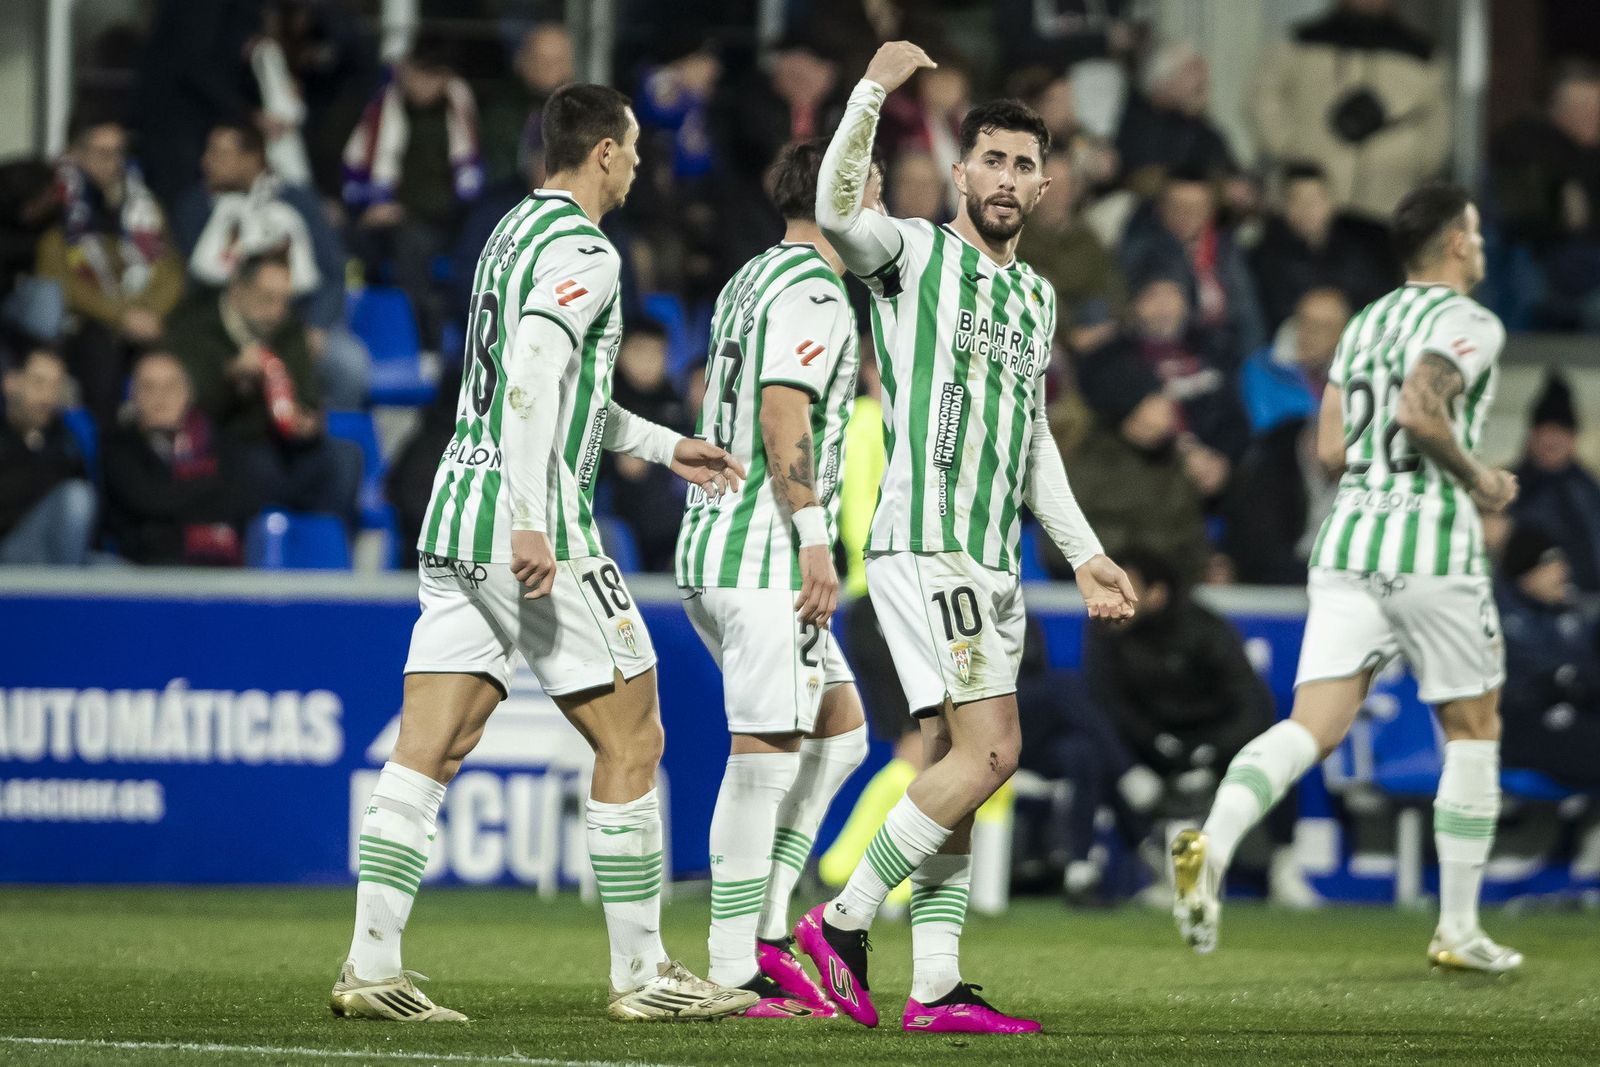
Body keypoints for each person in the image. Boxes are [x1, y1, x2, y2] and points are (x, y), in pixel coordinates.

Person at [330, 83, 753, 1024]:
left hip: (454, 510)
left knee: (431, 744)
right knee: (635, 731)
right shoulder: (585, 249)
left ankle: (370, 965)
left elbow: (558, 388)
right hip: (531, 526)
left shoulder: (512, 233)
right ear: (604, 151)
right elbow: (527, 376)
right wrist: (529, 519)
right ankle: (643, 976)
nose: (641, 163)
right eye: (634, 146)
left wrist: (661, 444)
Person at [798, 41, 1136, 1035]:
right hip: (924, 542)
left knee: (951, 759)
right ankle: (839, 922)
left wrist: (1082, 549)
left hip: (992, 553)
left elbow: (1032, 445)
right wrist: (871, 89)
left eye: (1025, 165)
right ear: (960, 170)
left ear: (1043, 184)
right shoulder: (911, 256)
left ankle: (936, 984)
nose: (1007, 178)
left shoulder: (1034, 297)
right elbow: (830, 213)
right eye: (991, 158)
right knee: (993, 753)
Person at [1171, 183, 1524, 974]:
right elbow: (1422, 410)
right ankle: (1459, 927)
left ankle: (1214, 842)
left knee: (1312, 727)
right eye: (1476, 231)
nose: (1483, 244)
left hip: (1348, 540)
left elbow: (1330, 450)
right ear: (1458, 243)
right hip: (1430, 543)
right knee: (1474, 727)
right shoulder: (1470, 322)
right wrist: (1480, 478)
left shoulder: (1365, 323)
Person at [674, 139, 874, 1018]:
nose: (876, 203)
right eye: (866, 187)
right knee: (762, 758)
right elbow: (782, 406)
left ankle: (763, 929)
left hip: (715, 540)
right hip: (763, 554)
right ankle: (732, 966)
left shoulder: (751, 276)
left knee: (843, 732)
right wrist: (812, 537)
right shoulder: (816, 288)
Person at [1085, 548, 1318, 908]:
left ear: (1156, 594)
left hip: (1217, 743)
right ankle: (1157, 872)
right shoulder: (1105, 631)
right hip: (1151, 750)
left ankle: (1283, 869)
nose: (1113, 598)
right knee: (1097, 755)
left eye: (1124, 588)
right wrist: (1144, 756)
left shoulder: (1205, 628)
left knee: (1278, 751)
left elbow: (1252, 704)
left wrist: (1211, 752)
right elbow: (1105, 705)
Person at [173, 120, 367, 408]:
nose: (207, 162)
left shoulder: (299, 202)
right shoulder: (195, 208)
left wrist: (317, 326)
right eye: (208, 152)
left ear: (252, 158)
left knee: (350, 365)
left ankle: (322, 441)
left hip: (294, 325)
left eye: (220, 154)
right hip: (219, 331)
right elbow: (187, 280)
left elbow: (332, 274)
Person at [164, 250, 359, 524]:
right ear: (238, 288)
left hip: (280, 444)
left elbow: (307, 397)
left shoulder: (289, 331)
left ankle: (323, 553)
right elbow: (183, 409)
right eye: (266, 298)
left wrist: (308, 421)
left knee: (344, 459)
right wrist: (231, 378)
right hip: (220, 441)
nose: (277, 311)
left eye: (284, 301)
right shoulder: (194, 327)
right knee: (256, 467)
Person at [38, 113, 184, 427]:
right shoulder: (57, 204)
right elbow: (58, 279)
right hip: (87, 324)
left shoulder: (141, 203)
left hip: (147, 319)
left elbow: (169, 269)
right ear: (76, 153)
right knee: (101, 360)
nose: (114, 163)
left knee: (181, 356)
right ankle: (104, 461)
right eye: (104, 153)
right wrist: (121, 316)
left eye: (119, 152)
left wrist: (148, 312)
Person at [1251, 0, 1450, 223]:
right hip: (1308, 204)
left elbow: (1435, 126)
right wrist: (1291, 148)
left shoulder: (1422, 54)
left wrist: (1408, 164)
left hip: (1386, 207)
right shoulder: (1301, 41)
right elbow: (1263, 97)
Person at [343, 39, 484, 349]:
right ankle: (359, 338)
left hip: (437, 224)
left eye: (429, 76)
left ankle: (425, 346)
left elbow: (464, 189)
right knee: (344, 239)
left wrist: (399, 211)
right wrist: (371, 208)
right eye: (415, 73)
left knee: (411, 246)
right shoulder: (381, 102)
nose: (419, 84)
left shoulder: (456, 110)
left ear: (445, 77)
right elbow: (354, 164)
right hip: (382, 218)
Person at [1068, 351, 1212, 584]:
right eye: (1156, 397)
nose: (1169, 405)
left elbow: (1194, 540)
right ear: (1133, 409)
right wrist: (1140, 554)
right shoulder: (1089, 465)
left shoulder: (1175, 466)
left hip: (1171, 599)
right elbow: (1058, 545)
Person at [101, 351, 252, 566]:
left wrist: (169, 502)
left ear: (188, 393)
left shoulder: (220, 443)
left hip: (218, 569)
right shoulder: (117, 447)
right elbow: (149, 501)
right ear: (133, 396)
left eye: (170, 386)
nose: (160, 396)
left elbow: (238, 502)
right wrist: (210, 482)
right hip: (140, 570)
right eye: (149, 387)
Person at [1488, 60, 1600, 330]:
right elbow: (1524, 218)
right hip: (1544, 255)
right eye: (1582, 107)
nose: (1592, 115)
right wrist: (1563, 191)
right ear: (1556, 107)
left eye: (1596, 107)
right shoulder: (1524, 141)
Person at [1120, 168, 1266, 364]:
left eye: (1197, 207)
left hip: (1231, 351)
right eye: (1178, 206)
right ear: (1161, 207)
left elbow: (1247, 310)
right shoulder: (1143, 247)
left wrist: (1254, 363)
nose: (1187, 215)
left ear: (1211, 210)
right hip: (1183, 354)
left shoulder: (1224, 245)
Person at [1496, 524, 1600, 792]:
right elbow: (1529, 689)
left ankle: (1576, 823)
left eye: (1561, 560)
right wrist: (1571, 680)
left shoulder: (1570, 615)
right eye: (1548, 563)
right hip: (1519, 731)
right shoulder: (1503, 623)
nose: (1561, 571)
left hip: (1571, 720)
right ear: (1524, 574)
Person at [1250, 163, 1397, 331]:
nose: (1307, 209)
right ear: (1284, 207)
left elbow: (1377, 298)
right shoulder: (1266, 256)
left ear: (1331, 203)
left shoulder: (1361, 247)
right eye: (1297, 200)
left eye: (1315, 199)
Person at [608, 321, 692, 570]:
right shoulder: (608, 401)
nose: (649, 362)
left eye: (657, 353)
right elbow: (630, 470)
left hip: (678, 522)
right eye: (640, 352)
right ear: (621, 353)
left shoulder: (677, 404)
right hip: (630, 524)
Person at [0, 347, 94, 565]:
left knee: (119, 574)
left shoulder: (65, 439)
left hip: (55, 553)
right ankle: (66, 595)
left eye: (55, 386)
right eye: (38, 382)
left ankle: (64, 589)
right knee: (75, 497)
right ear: (11, 382)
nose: (47, 396)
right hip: (8, 553)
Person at [1511, 371, 1600, 593]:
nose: (1551, 440)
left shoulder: (1588, 490)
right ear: (1531, 435)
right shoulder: (1507, 487)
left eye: (1560, 431)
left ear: (1572, 439)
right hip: (1517, 605)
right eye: (1544, 431)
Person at [1115, 43, 1238, 195]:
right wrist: (1218, 188)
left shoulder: (1203, 129)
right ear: (1162, 82)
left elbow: (1230, 170)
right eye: (1192, 73)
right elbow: (1145, 181)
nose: (1203, 85)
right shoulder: (1138, 124)